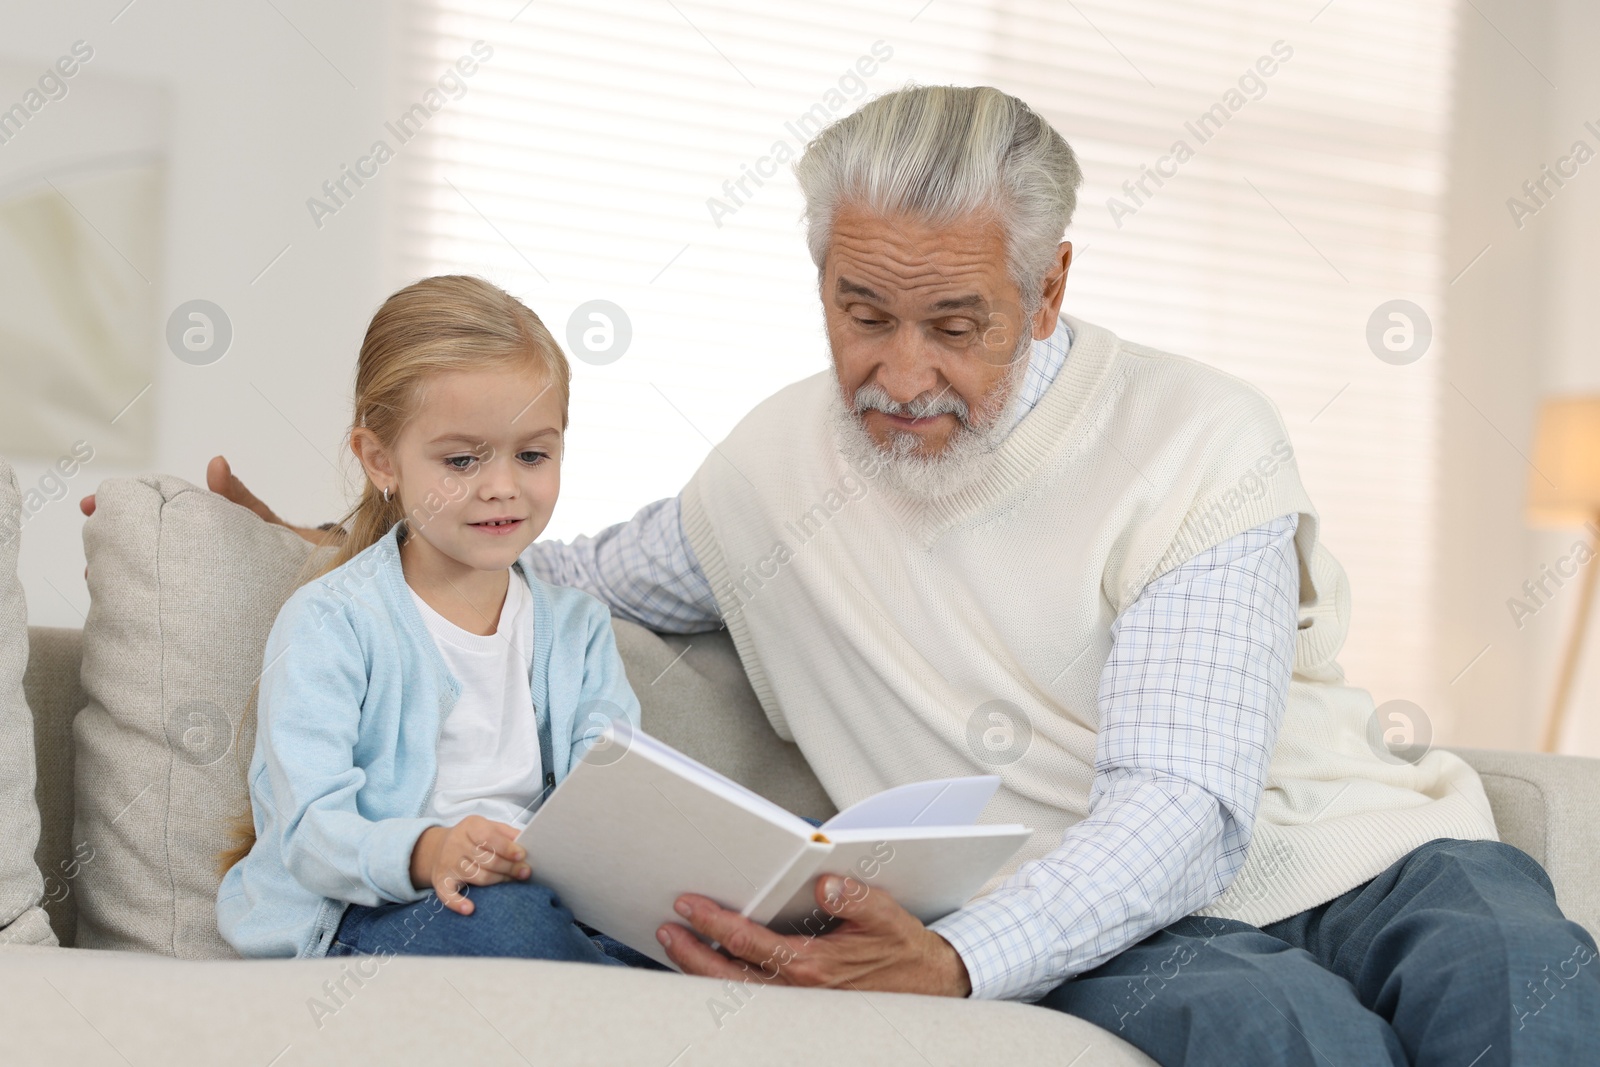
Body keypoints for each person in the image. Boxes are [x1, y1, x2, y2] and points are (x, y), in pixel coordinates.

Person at [90, 88, 1597, 1063]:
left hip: (1349, 847)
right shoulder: (769, 472)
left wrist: (952, 959)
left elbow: (1183, 810)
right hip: (1118, 918)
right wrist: (334, 533)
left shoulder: (1198, 440)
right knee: (1277, 1030)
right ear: (817, 274)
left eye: (956, 320)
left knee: (1527, 978)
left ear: (1052, 282)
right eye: (860, 310)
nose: (900, 372)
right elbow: (551, 565)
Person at [211, 275, 652, 968]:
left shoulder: (578, 629)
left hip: (541, 896)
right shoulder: (332, 624)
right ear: (381, 459)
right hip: (378, 908)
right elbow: (309, 830)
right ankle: (627, 999)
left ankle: (616, 981)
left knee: (741, 902)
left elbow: (612, 793)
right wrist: (429, 850)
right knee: (505, 924)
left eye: (532, 454)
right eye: (462, 459)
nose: (503, 485)